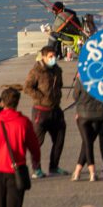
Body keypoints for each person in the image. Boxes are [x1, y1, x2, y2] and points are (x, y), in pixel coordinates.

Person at [23, 45, 66, 178]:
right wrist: (40, 97)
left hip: (55, 109)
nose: (53, 59)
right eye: (50, 57)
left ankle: (54, 166)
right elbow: (27, 87)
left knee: (59, 138)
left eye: (54, 56)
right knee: (37, 142)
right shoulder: (36, 71)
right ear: (44, 57)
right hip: (41, 111)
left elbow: (60, 85)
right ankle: (36, 169)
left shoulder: (57, 70)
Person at [70, 76, 103, 182]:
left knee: (87, 143)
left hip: (83, 115)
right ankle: (78, 171)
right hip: (99, 114)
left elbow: (75, 96)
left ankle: (90, 172)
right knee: (87, 143)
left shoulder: (81, 79)